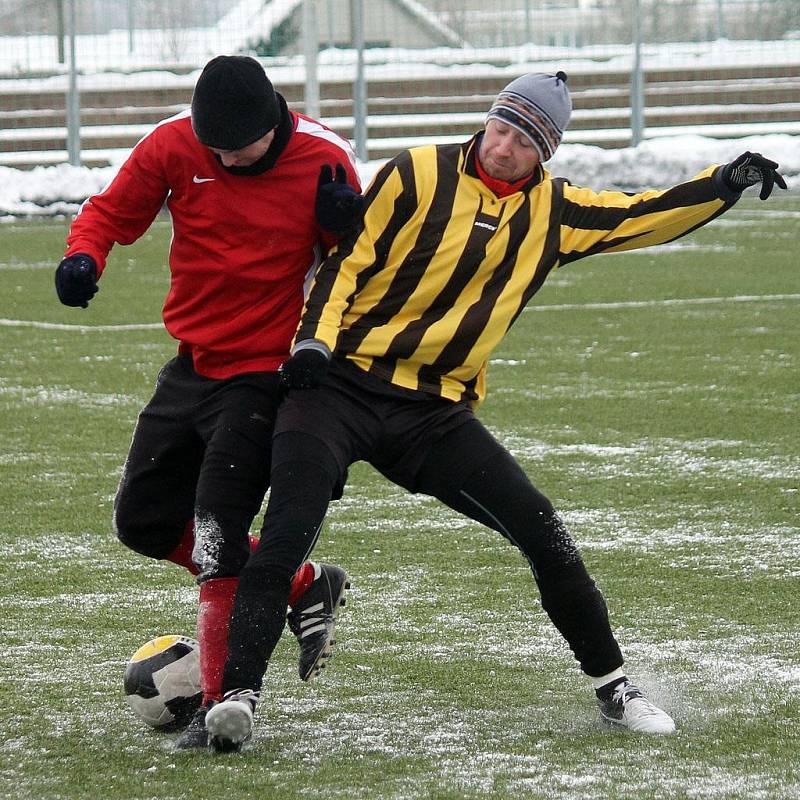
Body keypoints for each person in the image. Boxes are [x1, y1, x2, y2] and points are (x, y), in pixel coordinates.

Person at [203, 71, 787, 752]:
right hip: (338, 389)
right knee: (287, 531)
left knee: (543, 531)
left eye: (522, 139)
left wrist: (724, 182)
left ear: (546, 152)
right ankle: (238, 697)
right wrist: (314, 343)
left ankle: (615, 688)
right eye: (500, 126)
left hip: (434, 412)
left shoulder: (555, 213)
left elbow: (640, 215)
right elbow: (345, 265)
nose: (502, 145)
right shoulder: (417, 172)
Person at [54, 55, 363, 749]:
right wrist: (84, 257)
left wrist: (352, 228)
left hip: (267, 372)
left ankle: (224, 707)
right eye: (212, 147)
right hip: (192, 365)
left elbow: (359, 269)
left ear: (273, 121)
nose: (222, 157)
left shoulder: (325, 158)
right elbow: (109, 212)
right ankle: (301, 583)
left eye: (237, 147)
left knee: (220, 529)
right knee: (141, 519)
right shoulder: (174, 142)